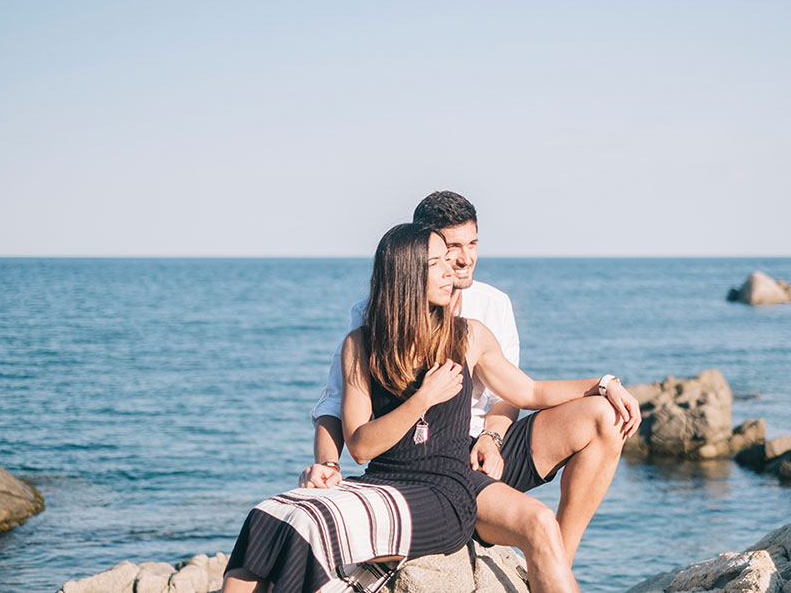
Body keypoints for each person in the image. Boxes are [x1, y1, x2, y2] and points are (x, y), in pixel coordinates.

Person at [223, 224, 593, 592]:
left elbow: (530, 390)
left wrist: (601, 384)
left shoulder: (469, 335)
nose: (452, 271)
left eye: (450, 261)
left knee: (310, 522)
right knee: (270, 514)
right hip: (381, 482)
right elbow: (361, 446)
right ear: (406, 275)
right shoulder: (362, 344)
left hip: (444, 494)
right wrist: (423, 398)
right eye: (437, 263)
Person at [303, 192, 641, 565]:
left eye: (473, 244)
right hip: (425, 458)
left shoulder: (492, 305)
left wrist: (494, 437)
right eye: (451, 248)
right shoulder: (374, 315)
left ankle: (556, 563)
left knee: (604, 416)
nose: (463, 259)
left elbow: (516, 391)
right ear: (422, 253)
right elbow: (338, 402)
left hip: (489, 448)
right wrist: (328, 464)